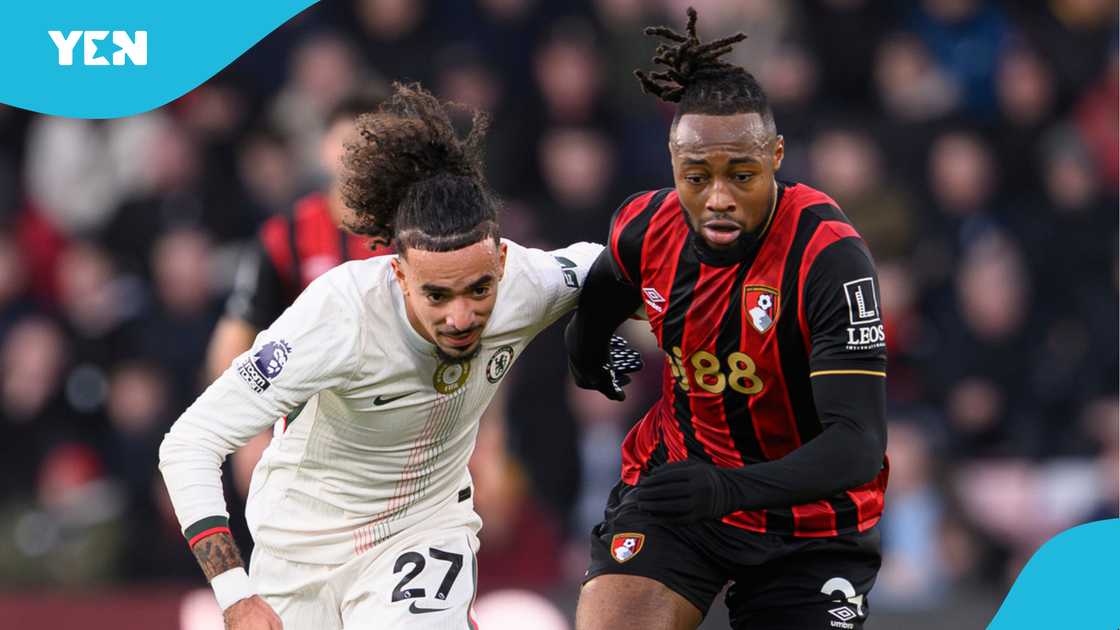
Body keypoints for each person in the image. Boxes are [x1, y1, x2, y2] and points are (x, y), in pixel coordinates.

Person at [160, 83, 617, 629]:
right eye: (437, 296)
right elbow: (189, 442)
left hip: (423, 529)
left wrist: (611, 325)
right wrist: (235, 594)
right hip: (299, 547)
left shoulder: (528, 282)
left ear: (499, 261)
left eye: (478, 289)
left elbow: (622, 261)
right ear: (399, 274)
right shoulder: (337, 315)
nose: (461, 317)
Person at [566, 8, 889, 630]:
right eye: (696, 176)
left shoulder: (828, 257)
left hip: (811, 523)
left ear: (775, 156)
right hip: (680, 500)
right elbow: (596, 306)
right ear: (672, 164)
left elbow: (858, 445)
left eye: (741, 175)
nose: (718, 197)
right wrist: (590, 360)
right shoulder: (642, 228)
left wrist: (725, 488)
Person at [205, 93, 393, 382]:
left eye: (377, 144)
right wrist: (256, 425)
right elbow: (234, 339)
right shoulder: (286, 236)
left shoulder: (417, 235)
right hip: (307, 408)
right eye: (350, 143)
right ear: (324, 149)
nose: (362, 155)